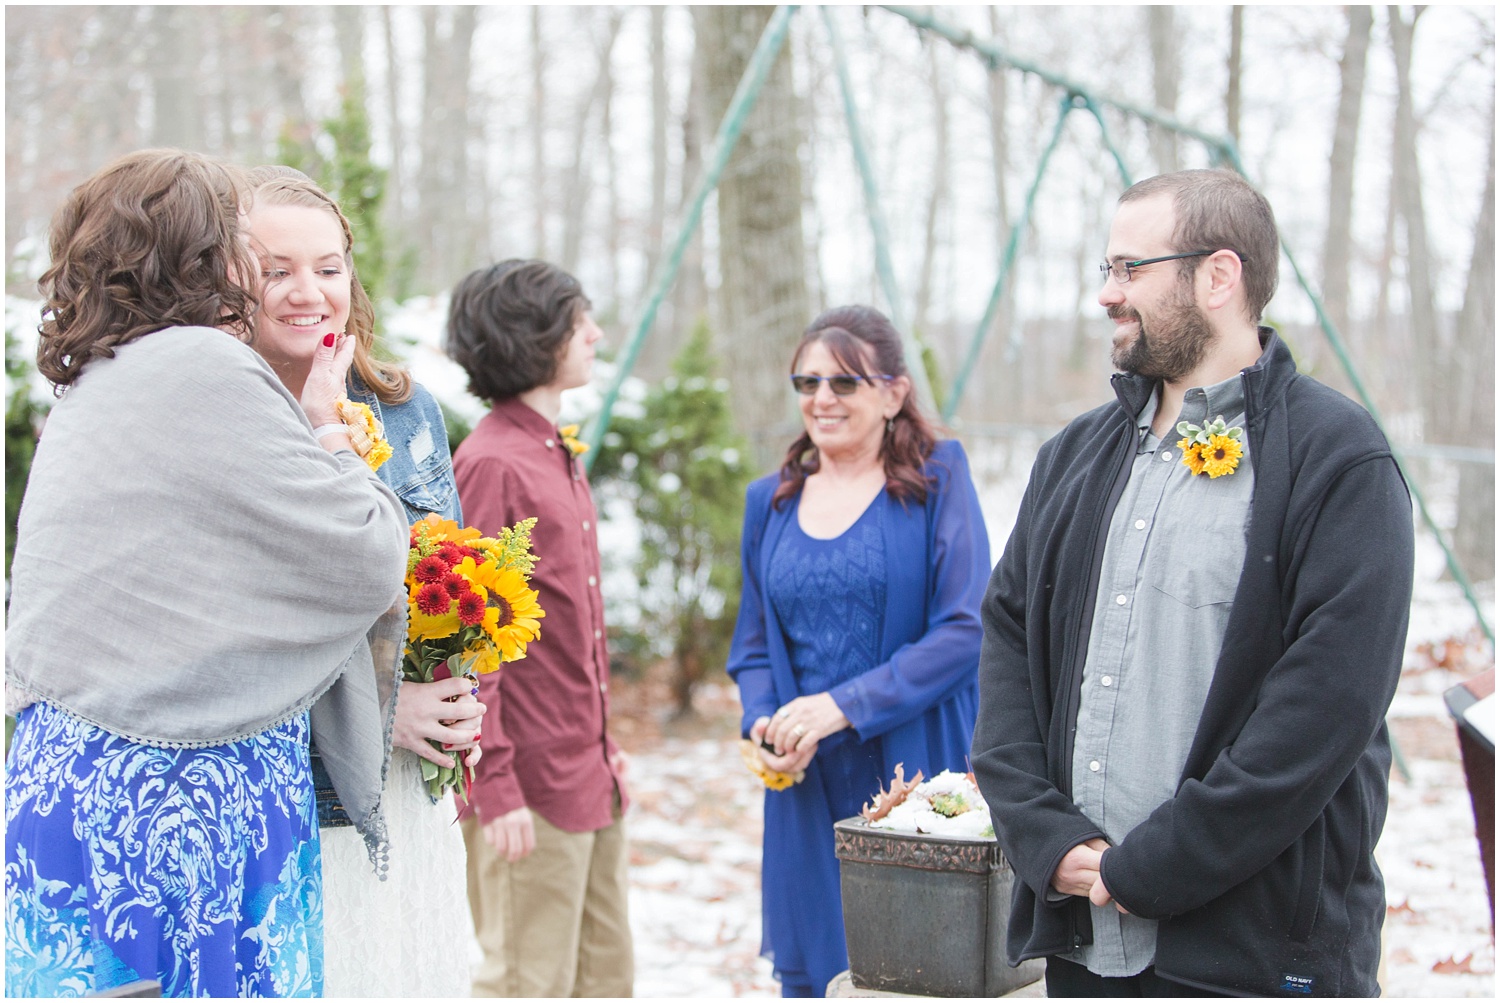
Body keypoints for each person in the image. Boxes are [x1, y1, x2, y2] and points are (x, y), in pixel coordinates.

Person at [971, 169, 1414, 997]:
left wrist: (1153, 868)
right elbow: (1005, 642)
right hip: (1085, 945)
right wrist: (1045, 837)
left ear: (1218, 275)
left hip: (1254, 956)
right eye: (1104, 269)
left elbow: (1326, 708)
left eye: (1130, 268)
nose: (1107, 294)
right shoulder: (1072, 457)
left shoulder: (1339, 460)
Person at [5, 149, 409, 997]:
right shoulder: (204, 366)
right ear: (203, 254)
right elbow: (368, 555)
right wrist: (330, 431)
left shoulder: (100, 378)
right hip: (180, 792)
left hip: (68, 772)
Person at [242, 167, 480, 997]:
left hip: (414, 793)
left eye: (329, 266)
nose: (310, 291)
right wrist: (380, 709)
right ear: (229, 279)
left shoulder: (407, 409)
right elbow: (234, 641)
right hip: (298, 807)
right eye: (277, 269)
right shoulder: (226, 416)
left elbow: (453, 577)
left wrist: (457, 692)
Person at [727, 305, 991, 997]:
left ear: (894, 393)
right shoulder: (771, 502)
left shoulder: (940, 478)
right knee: (818, 973)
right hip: (808, 785)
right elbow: (752, 645)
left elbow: (966, 629)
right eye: (806, 382)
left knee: (919, 972)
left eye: (844, 382)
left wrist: (841, 706)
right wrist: (766, 725)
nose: (821, 398)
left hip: (917, 777)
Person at [444, 259, 633, 998]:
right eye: (577, 318)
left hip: (589, 776)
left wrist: (607, 753)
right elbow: (468, 639)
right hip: (527, 789)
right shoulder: (491, 462)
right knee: (526, 984)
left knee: (605, 980)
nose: (594, 332)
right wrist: (494, 783)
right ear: (533, 334)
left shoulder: (553, 451)